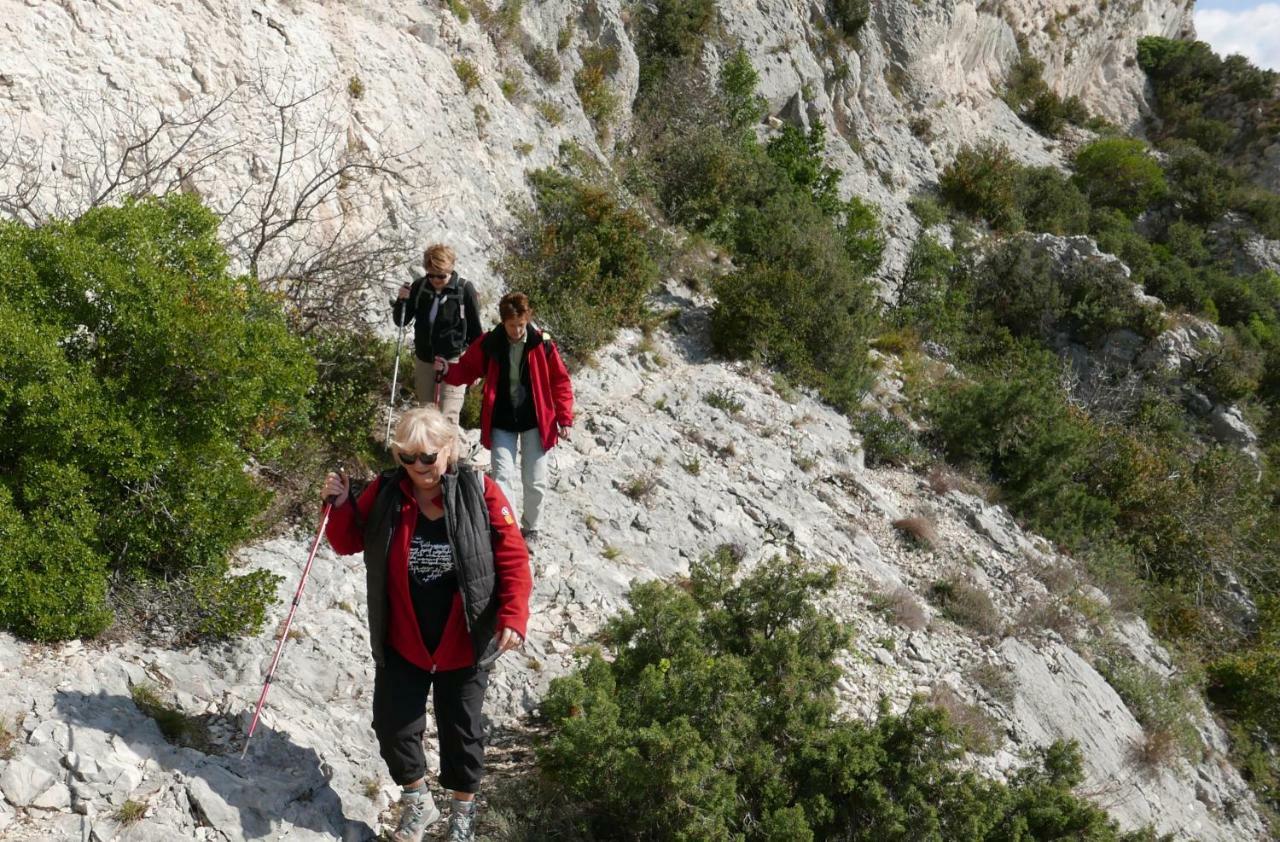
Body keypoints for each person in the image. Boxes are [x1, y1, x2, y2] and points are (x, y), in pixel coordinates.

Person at [322, 406, 531, 842]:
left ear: (449, 449)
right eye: (408, 458)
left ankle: (462, 814)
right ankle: (418, 802)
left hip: (464, 640)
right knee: (392, 726)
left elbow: (512, 557)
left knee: (463, 732)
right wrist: (340, 504)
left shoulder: (480, 491)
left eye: (428, 456)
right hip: (404, 640)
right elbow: (346, 542)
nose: (420, 468)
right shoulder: (385, 492)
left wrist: (513, 614)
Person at [436, 292, 573, 546]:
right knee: (501, 478)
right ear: (503, 322)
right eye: (511, 325)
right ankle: (509, 532)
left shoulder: (542, 343)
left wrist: (564, 418)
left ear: (527, 318)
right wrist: (447, 371)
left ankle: (532, 528)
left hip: (536, 421)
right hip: (502, 420)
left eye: (521, 324)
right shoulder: (491, 343)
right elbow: (467, 369)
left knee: (535, 480)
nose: (517, 330)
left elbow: (560, 381)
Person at [392, 244, 483, 425]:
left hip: (454, 360)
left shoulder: (464, 290)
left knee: (448, 416)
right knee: (426, 414)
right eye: (431, 275)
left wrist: (477, 368)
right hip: (425, 358)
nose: (435, 280)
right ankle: (427, 454)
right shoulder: (420, 287)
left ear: (450, 269)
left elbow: (475, 332)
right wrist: (401, 301)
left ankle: (449, 454)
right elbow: (401, 321)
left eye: (441, 275)